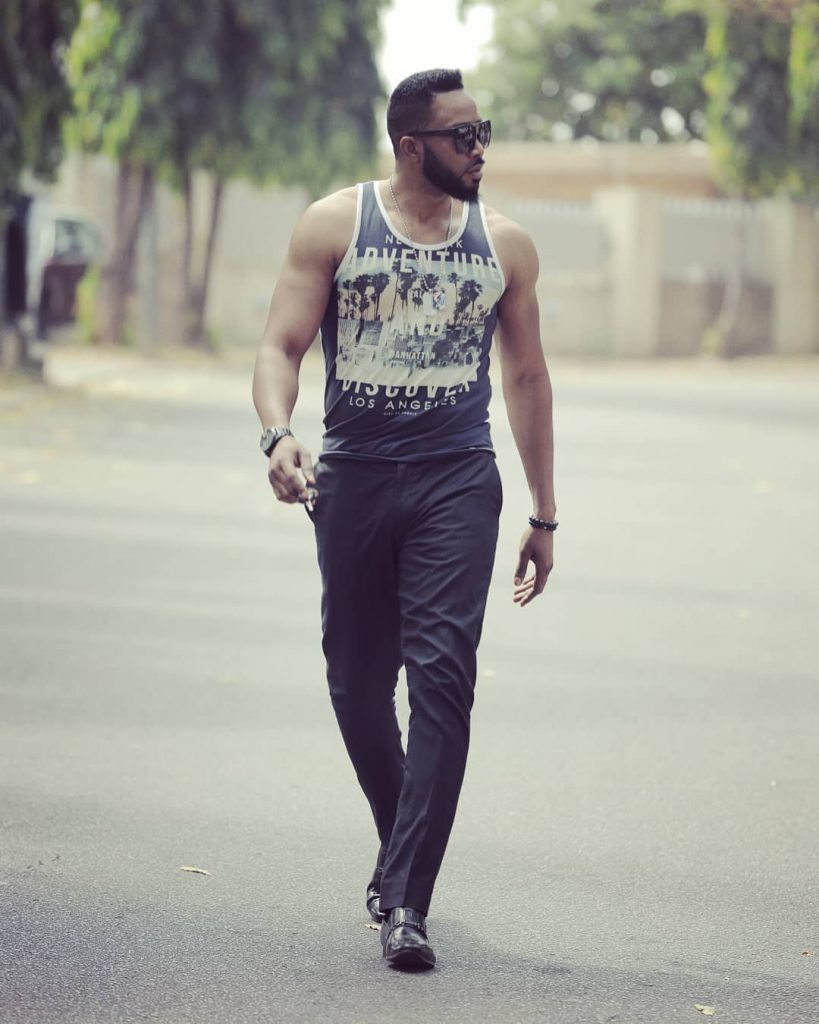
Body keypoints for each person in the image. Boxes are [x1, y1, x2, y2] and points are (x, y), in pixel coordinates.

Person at [252, 68, 556, 971]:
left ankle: (407, 903)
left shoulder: (506, 246)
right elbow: (279, 345)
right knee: (356, 683)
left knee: (441, 681)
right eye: (465, 136)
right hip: (352, 480)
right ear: (412, 146)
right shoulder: (333, 225)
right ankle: (400, 850)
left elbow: (527, 377)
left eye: (483, 131)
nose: (480, 148)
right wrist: (277, 433)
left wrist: (544, 514)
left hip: (457, 481)